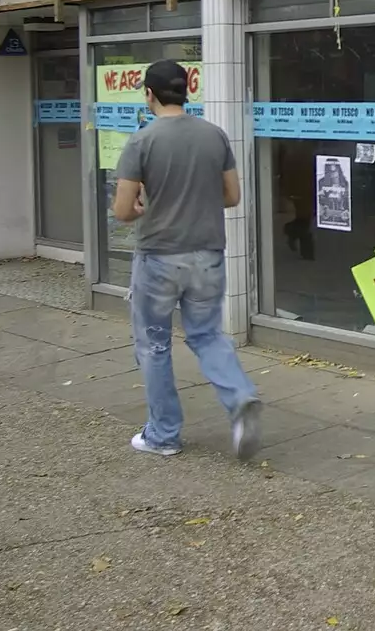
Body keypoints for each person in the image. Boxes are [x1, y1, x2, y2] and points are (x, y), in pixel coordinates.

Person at [111, 60, 261, 460]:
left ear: (149, 94)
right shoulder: (215, 135)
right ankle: (240, 397)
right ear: (186, 90)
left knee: (154, 344)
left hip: (159, 255)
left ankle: (163, 434)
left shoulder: (141, 140)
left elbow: (123, 210)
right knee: (207, 334)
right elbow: (231, 197)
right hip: (208, 253)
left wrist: (144, 204)